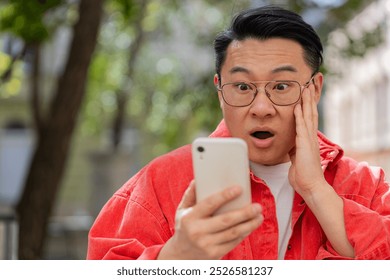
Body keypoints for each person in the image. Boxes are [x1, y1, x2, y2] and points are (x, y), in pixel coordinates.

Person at [87, 5, 390, 260]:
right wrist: (175, 257)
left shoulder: (367, 187)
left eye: (281, 87)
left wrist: (315, 189)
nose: (261, 108)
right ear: (220, 91)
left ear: (314, 89)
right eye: (243, 87)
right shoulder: (158, 184)